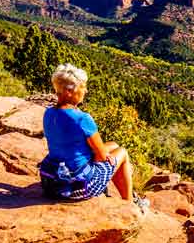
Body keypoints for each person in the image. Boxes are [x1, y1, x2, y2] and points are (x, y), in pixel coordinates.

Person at [39, 63, 133, 201]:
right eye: (82, 87)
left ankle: (129, 198)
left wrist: (103, 153)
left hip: (53, 182)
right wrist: (103, 155)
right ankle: (129, 202)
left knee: (113, 145)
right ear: (68, 92)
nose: (86, 91)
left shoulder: (48, 113)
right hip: (79, 186)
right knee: (122, 152)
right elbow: (101, 156)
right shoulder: (83, 119)